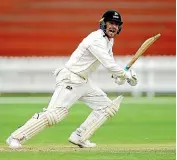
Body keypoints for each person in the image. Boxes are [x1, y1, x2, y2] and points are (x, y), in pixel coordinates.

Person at [6, 10, 138, 149]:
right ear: (103, 23)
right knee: (54, 115)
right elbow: (110, 65)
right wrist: (126, 75)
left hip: (83, 81)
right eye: (111, 23)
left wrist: (122, 78)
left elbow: (113, 69)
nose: (114, 27)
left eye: (117, 24)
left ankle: (80, 136)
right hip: (70, 79)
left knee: (107, 107)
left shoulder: (108, 41)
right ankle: (15, 137)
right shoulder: (96, 40)